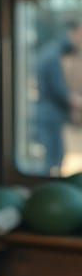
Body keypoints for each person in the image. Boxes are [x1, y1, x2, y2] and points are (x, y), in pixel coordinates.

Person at [35, 20, 82, 175]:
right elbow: (59, 90)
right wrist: (77, 101)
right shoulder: (53, 56)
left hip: (52, 113)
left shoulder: (53, 53)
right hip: (50, 114)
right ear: (73, 33)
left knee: (56, 156)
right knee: (53, 158)